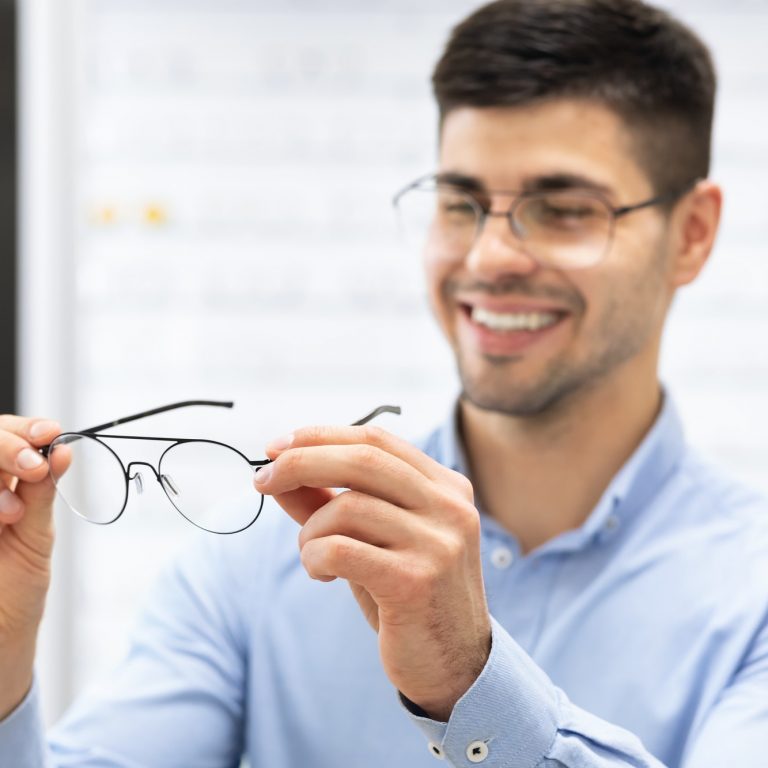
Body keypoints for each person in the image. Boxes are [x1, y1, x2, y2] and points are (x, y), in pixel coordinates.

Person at [1, 0, 767, 765]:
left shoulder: (753, 599)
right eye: (461, 204)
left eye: (564, 209)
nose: (491, 255)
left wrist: (473, 683)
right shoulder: (260, 563)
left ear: (692, 234)